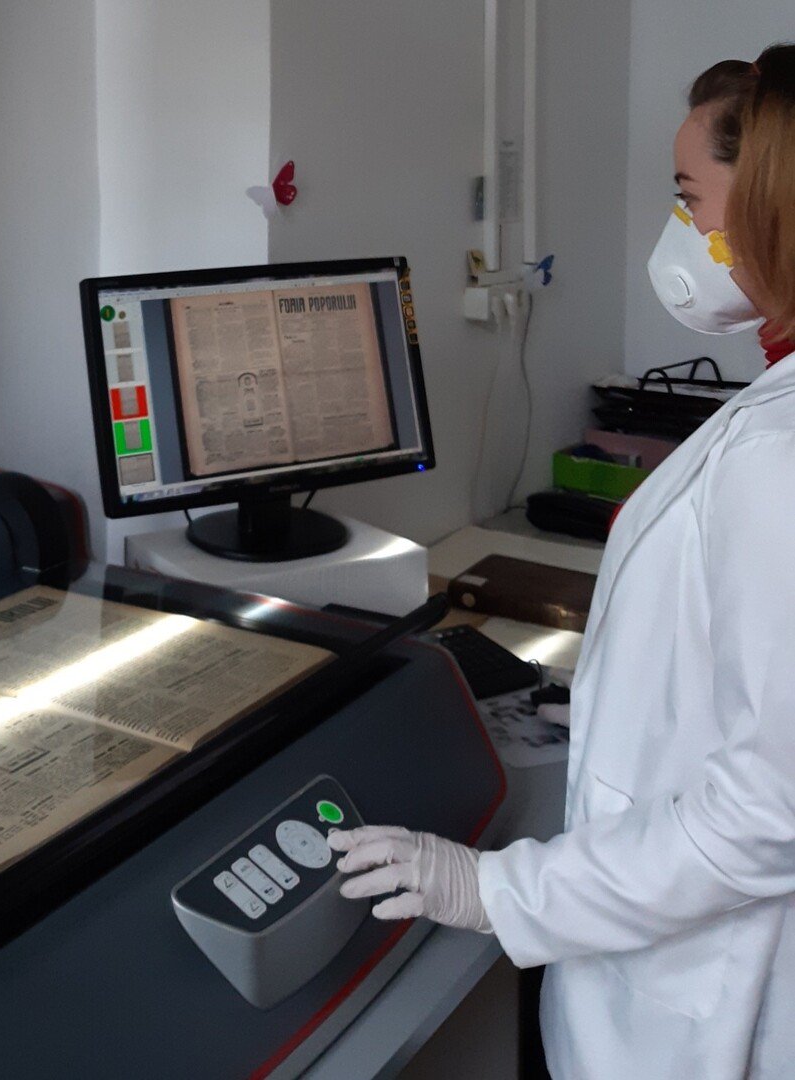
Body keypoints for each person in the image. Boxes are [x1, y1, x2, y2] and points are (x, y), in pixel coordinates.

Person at [329, 44, 795, 1079]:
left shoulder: (778, 456)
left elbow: (771, 813)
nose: (681, 227)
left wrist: (495, 891)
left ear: (769, 204)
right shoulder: (771, 416)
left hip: (713, 1010)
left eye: (690, 197)